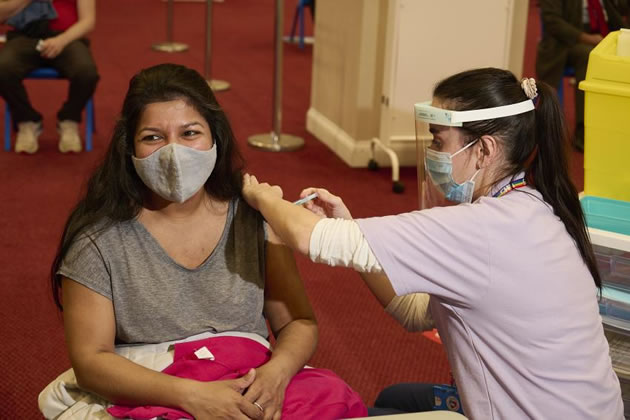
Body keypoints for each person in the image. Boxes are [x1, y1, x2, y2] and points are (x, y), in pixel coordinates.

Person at [241, 67, 624, 418]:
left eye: (438, 142)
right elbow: (414, 312)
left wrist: (261, 197)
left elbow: (310, 239)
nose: (432, 154)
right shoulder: (531, 208)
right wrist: (352, 228)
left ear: (485, 150)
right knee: (399, 398)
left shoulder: (481, 229)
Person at [45, 63, 359, 420]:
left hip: (249, 384)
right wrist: (192, 396)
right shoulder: (98, 240)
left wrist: (276, 374)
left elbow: (298, 323)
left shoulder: (252, 216)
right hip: (152, 390)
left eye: (190, 133)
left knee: (335, 401)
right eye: (152, 137)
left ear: (215, 138)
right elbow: (91, 362)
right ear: (127, 148)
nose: (173, 153)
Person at [0, 0, 99, 154]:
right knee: (3, 69)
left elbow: (88, 21)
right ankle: (27, 120)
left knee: (86, 72)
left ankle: (69, 120)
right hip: (23, 37)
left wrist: (62, 40)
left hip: (67, 37)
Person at [536, 0, 628, 152]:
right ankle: (583, 131)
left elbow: (620, 12)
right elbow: (552, 21)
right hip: (566, 43)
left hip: (604, 35)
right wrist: (586, 38)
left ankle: (617, 128)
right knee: (589, 56)